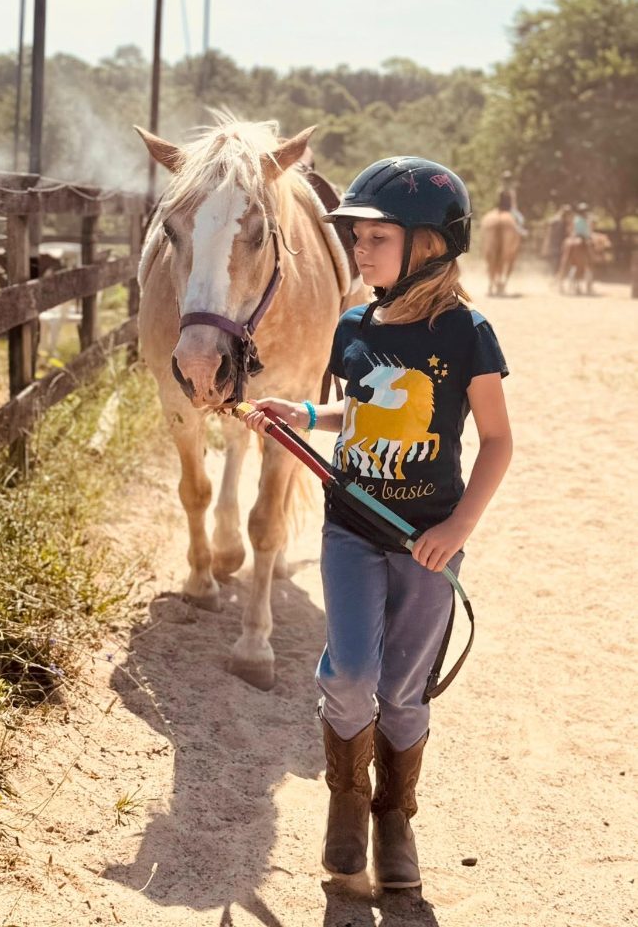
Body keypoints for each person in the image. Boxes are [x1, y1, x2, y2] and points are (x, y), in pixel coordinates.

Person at [239, 157, 512, 891]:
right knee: (351, 672)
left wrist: (457, 529)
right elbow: (355, 414)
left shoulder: (467, 335)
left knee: (403, 690)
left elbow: (498, 441)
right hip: (353, 528)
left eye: (376, 236)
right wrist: (302, 414)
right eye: (356, 235)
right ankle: (346, 800)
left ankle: (395, 814)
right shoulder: (354, 323)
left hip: (428, 544)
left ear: (428, 244)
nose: (359, 250)